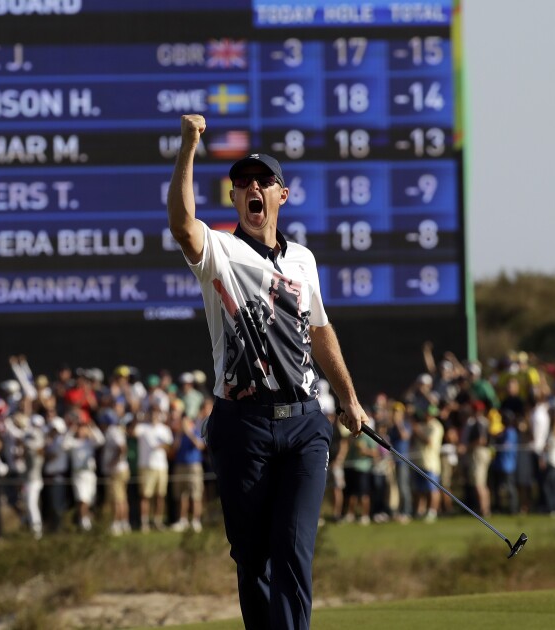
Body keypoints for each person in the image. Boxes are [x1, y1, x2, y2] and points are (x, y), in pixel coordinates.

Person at [166, 115, 368, 630]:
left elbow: (319, 329)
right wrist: (189, 146)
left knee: (294, 548)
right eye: (243, 184)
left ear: (282, 195)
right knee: (252, 558)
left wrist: (348, 397)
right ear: (235, 199)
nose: (253, 188)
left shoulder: (303, 260)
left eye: (263, 182)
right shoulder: (221, 252)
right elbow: (182, 224)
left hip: (305, 424)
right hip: (241, 424)